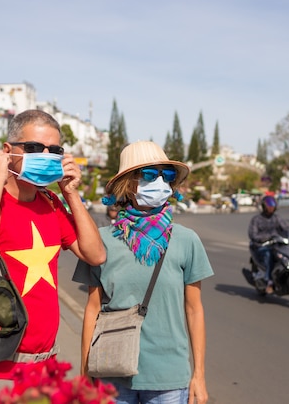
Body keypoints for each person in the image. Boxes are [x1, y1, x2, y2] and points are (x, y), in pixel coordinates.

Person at [0, 109, 106, 403]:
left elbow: (95, 255)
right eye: (34, 148)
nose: (45, 156)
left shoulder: (51, 204)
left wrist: (71, 193)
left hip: (44, 368)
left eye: (54, 150)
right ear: (7, 152)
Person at [72, 141, 213, 404]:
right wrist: (84, 373)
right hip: (111, 374)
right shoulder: (99, 242)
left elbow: (194, 310)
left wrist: (199, 376)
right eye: (149, 174)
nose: (160, 181)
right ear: (128, 183)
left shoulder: (187, 240)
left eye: (166, 175)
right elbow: (92, 310)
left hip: (169, 380)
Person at [248, 195, 289, 294]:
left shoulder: (276, 218)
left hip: (276, 244)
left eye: (272, 206)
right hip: (261, 246)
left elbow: (286, 228)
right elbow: (253, 235)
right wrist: (267, 237)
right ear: (263, 207)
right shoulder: (256, 219)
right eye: (269, 206)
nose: (271, 208)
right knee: (269, 255)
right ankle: (269, 282)